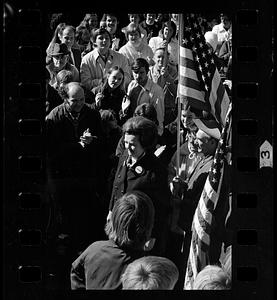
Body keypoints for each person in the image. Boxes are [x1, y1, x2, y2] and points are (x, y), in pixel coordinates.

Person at [46, 82, 106, 256]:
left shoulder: (92, 114)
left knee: (84, 210)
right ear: (65, 99)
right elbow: (51, 150)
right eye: (74, 100)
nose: (79, 104)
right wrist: (77, 145)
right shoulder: (54, 117)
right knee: (65, 212)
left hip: (85, 173)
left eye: (82, 99)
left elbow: (102, 142)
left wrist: (92, 141)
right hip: (64, 174)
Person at [167, 117, 221, 289]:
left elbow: (203, 203)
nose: (196, 143)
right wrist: (184, 185)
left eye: (201, 140)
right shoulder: (203, 158)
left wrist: (180, 202)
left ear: (213, 142)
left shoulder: (212, 167)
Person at [108, 116, 172, 256]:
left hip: (138, 234)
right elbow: (117, 185)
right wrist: (111, 211)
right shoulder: (125, 157)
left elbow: (162, 207)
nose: (128, 148)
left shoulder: (155, 170)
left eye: (133, 144)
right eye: (126, 143)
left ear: (145, 143)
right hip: (119, 226)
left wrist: (152, 235)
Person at [70, 191, 156, 290]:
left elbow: (76, 273)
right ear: (147, 226)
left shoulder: (93, 250)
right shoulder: (144, 270)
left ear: (113, 219)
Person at [80, 27, 131, 95]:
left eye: (107, 38)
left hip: (117, 96)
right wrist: (105, 81)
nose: (104, 41)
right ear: (94, 41)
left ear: (110, 41)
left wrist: (115, 82)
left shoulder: (121, 58)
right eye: (101, 38)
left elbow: (127, 78)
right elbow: (85, 83)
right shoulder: (86, 59)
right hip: (95, 96)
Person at [121, 58, 165, 136]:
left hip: (146, 131)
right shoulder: (132, 84)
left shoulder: (156, 90)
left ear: (147, 72)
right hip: (132, 127)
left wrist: (158, 135)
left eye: (141, 73)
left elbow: (159, 116)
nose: (138, 76)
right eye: (135, 72)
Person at [45, 43, 80, 113]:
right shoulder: (47, 70)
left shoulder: (73, 70)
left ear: (67, 58)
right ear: (52, 58)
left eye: (62, 57)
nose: (59, 60)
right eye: (57, 57)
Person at [149, 45, 178, 126]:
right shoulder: (149, 72)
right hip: (152, 109)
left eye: (164, 57)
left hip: (168, 110)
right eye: (158, 57)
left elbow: (176, 91)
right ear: (154, 58)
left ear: (168, 59)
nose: (161, 59)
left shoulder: (174, 72)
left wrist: (168, 77)